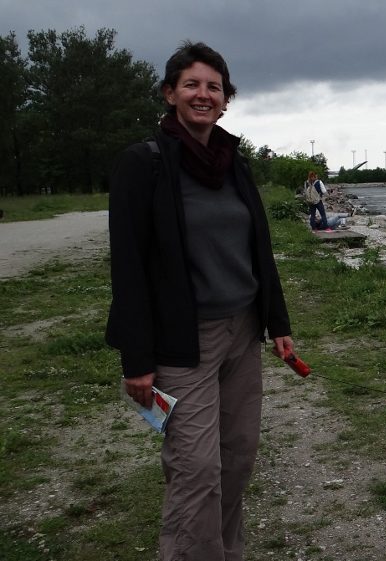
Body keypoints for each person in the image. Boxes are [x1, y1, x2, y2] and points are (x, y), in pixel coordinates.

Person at [105, 41, 294, 561]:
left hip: (242, 331)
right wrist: (137, 360)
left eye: (214, 86)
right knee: (196, 469)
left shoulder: (235, 163)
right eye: (191, 85)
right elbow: (128, 266)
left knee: (236, 459)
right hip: (181, 341)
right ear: (170, 94)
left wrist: (277, 322)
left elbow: (258, 248)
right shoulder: (143, 164)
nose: (203, 94)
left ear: (227, 99)